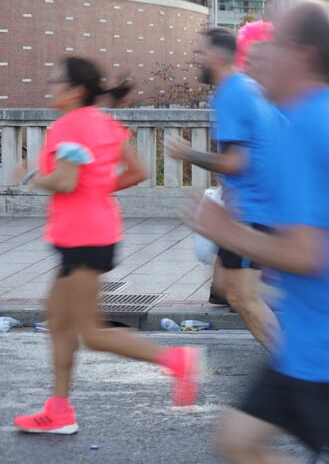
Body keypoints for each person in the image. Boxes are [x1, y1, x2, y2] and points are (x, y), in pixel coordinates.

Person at [183, 0, 329, 463]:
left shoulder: (307, 127)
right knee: (237, 440)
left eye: (276, 43)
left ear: (304, 55)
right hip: (306, 346)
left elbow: (310, 255)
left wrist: (227, 231)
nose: (262, 53)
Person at [14, 58, 198, 435]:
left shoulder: (71, 125)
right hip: (90, 233)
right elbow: (138, 171)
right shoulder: (103, 122)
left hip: (83, 237)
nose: (51, 87)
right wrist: (95, 191)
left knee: (90, 332)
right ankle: (59, 409)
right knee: (58, 320)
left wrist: (29, 175)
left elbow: (64, 183)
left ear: (75, 90)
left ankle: (175, 359)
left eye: (57, 81)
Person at [165, 28, 280, 350]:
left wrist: (186, 153)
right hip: (253, 208)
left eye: (199, 53)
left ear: (217, 56)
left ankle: (298, 374)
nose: (195, 58)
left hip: (252, 210)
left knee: (243, 297)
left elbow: (235, 162)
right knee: (233, 292)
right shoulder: (247, 87)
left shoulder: (230, 92)